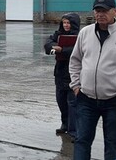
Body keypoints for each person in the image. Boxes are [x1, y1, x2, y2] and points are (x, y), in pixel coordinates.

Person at [69, 0, 116, 160]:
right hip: (85, 99)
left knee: (113, 144)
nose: (100, 14)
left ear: (115, 11)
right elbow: (75, 61)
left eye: (105, 11)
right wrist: (76, 86)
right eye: (97, 10)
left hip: (114, 101)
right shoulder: (85, 33)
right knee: (82, 141)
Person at [44, 13, 80, 141]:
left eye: (68, 23)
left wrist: (62, 50)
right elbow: (48, 43)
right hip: (60, 73)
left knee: (72, 104)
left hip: (73, 75)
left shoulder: (81, 36)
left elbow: (79, 50)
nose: (66, 25)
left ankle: (73, 130)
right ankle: (64, 124)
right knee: (61, 101)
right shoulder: (57, 34)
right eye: (64, 22)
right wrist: (53, 47)